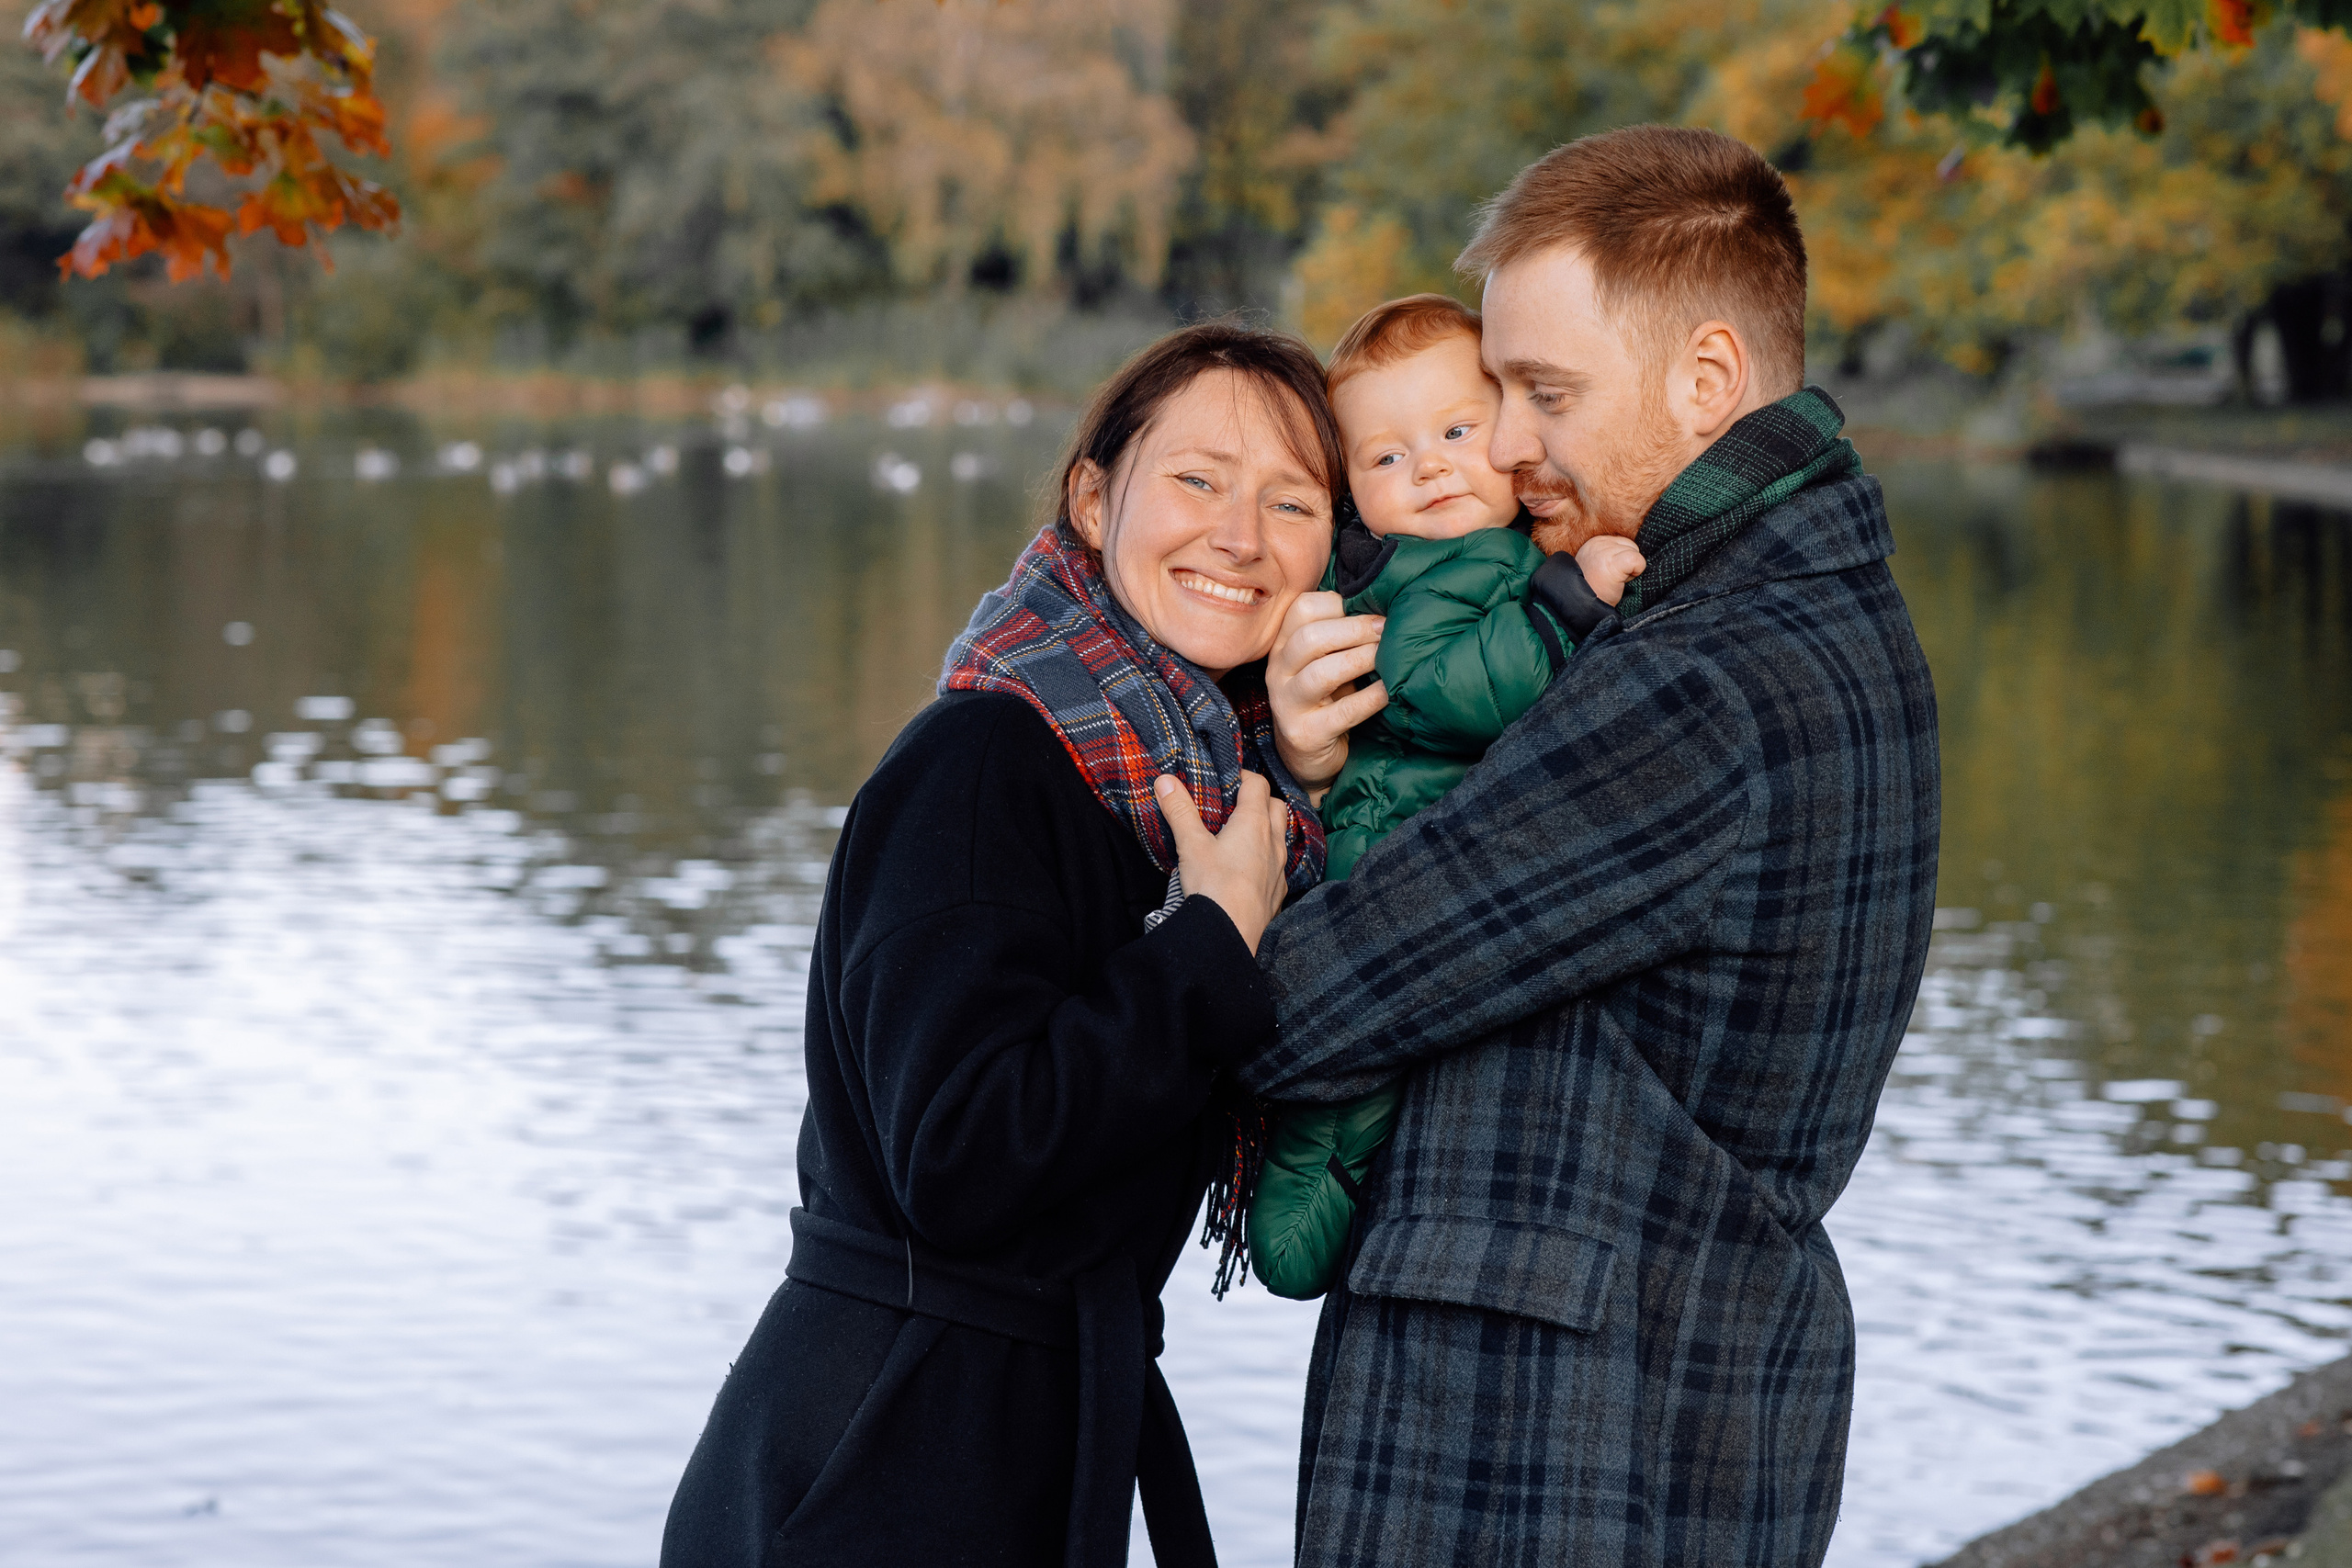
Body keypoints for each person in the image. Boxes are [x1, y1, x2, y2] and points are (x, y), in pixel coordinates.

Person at [1251, 125, 1942, 1566]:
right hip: (1682, 1405)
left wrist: (1269, 816)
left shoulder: (1695, 682)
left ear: (1707, 380)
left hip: (1559, 1454)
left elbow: (1311, 999)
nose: (1502, 442)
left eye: (1542, 392)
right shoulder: (1812, 601)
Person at [658, 321, 1341, 1568]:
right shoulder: (985, 762)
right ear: (1093, 496)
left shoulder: (1204, 793)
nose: (1240, 534)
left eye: (1291, 499)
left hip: (1013, 1442)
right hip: (880, 1458)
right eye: (1197, 478)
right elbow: (958, 1152)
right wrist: (1210, 940)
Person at [1246, 293, 1645, 1302]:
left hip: (1433, 832)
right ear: (1353, 492)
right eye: (1384, 458)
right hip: (1385, 835)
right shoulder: (1431, 570)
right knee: (1362, 1065)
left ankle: (1334, 1179)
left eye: (1457, 433)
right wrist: (1569, 603)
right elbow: (1434, 688)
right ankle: (1306, 1194)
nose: (1424, 467)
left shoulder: (1494, 550)